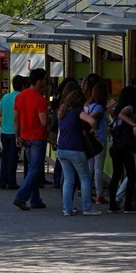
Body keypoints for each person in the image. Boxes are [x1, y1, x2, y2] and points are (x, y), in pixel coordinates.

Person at [57, 87, 101, 216]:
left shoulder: (62, 111)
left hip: (61, 149)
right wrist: (94, 130)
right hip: (75, 148)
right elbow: (92, 120)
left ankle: (67, 208)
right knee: (85, 178)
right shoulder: (77, 110)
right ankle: (87, 207)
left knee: (68, 179)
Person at [13, 68, 49, 211]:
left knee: (32, 169)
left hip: (25, 137)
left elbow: (16, 118)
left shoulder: (20, 97)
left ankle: (35, 199)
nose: (46, 83)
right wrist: (51, 116)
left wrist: (17, 136)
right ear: (39, 81)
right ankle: (21, 197)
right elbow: (44, 122)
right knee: (35, 169)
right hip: (38, 137)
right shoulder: (40, 99)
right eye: (45, 80)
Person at [108, 86, 136, 214]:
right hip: (125, 146)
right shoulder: (129, 107)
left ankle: (112, 204)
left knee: (116, 175)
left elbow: (116, 114)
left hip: (115, 145)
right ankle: (127, 204)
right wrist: (134, 125)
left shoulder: (117, 108)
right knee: (132, 174)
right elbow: (124, 115)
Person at [0, 75, 26, 190]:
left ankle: (2, 181)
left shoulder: (5, 97)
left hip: (4, 132)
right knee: (13, 158)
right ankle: (11, 182)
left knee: (5, 157)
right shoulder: (22, 97)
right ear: (23, 85)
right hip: (15, 132)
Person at [86, 81, 109, 204]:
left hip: (92, 140)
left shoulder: (91, 106)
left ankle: (87, 193)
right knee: (98, 168)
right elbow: (93, 119)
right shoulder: (100, 108)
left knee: (90, 167)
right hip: (99, 139)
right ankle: (99, 195)